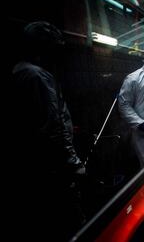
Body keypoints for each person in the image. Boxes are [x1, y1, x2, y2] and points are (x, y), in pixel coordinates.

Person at [9, 21, 85, 241]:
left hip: (36, 168)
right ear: (43, 48)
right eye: (54, 48)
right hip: (52, 171)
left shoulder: (20, 71)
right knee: (71, 222)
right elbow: (53, 126)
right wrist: (74, 164)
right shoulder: (38, 77)